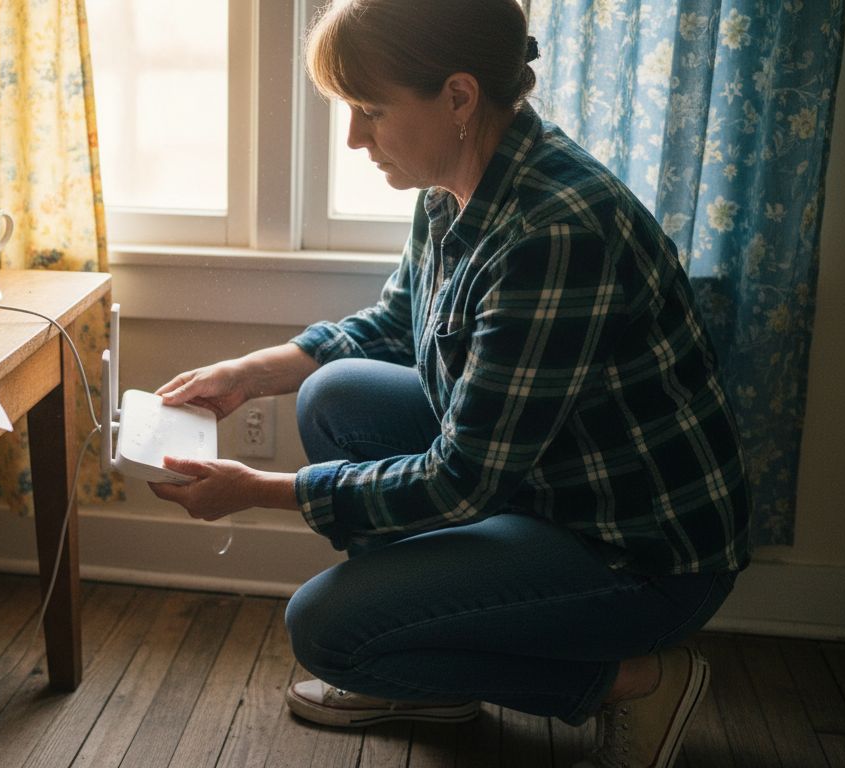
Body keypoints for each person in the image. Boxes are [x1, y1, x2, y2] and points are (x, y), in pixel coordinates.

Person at [148, 1, 749, 765]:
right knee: (332, 393)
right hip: (543, 484)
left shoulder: (555, 233)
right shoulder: (454, 178)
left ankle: (628, 679)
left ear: (459, 97)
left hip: (633, 552)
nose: (355, 139)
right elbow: (398, 322)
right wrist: (251, 373)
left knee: (327, 632)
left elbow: (461, 484)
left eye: (370, 111)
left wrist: (259, 490)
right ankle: (430, 657)